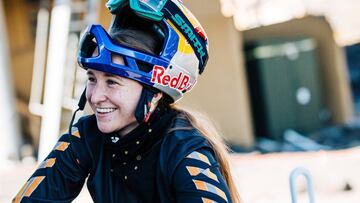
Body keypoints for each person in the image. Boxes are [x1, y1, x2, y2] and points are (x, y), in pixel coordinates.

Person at [13, 0, 241, 202]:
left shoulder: (184, 150)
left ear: (157, 90)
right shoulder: (87, 136)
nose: (95, 96)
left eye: (112, 81)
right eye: (92, 78)